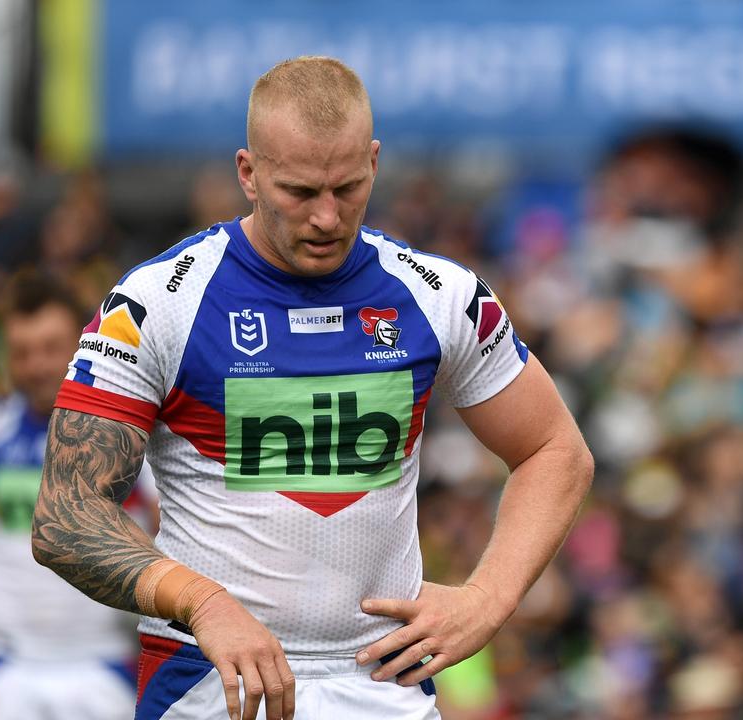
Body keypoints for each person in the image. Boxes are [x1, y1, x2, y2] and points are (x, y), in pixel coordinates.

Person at [31, 56, 594, 720]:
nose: (327, 217)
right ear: (248, 173)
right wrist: (201, 602)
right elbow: (64, 515)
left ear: (375, 162)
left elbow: (556, 450)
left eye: (348, 188)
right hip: (208, 681)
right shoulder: (160, 303)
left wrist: (486, 600)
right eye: (300, 192)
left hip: (383, 684)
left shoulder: (440, 296)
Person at [0, 273, 156, 719]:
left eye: (50, 348)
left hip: (106, 666)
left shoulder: (134, 441)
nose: (39, 365)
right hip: (5, 667)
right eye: (23, 353)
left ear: (81, 346)